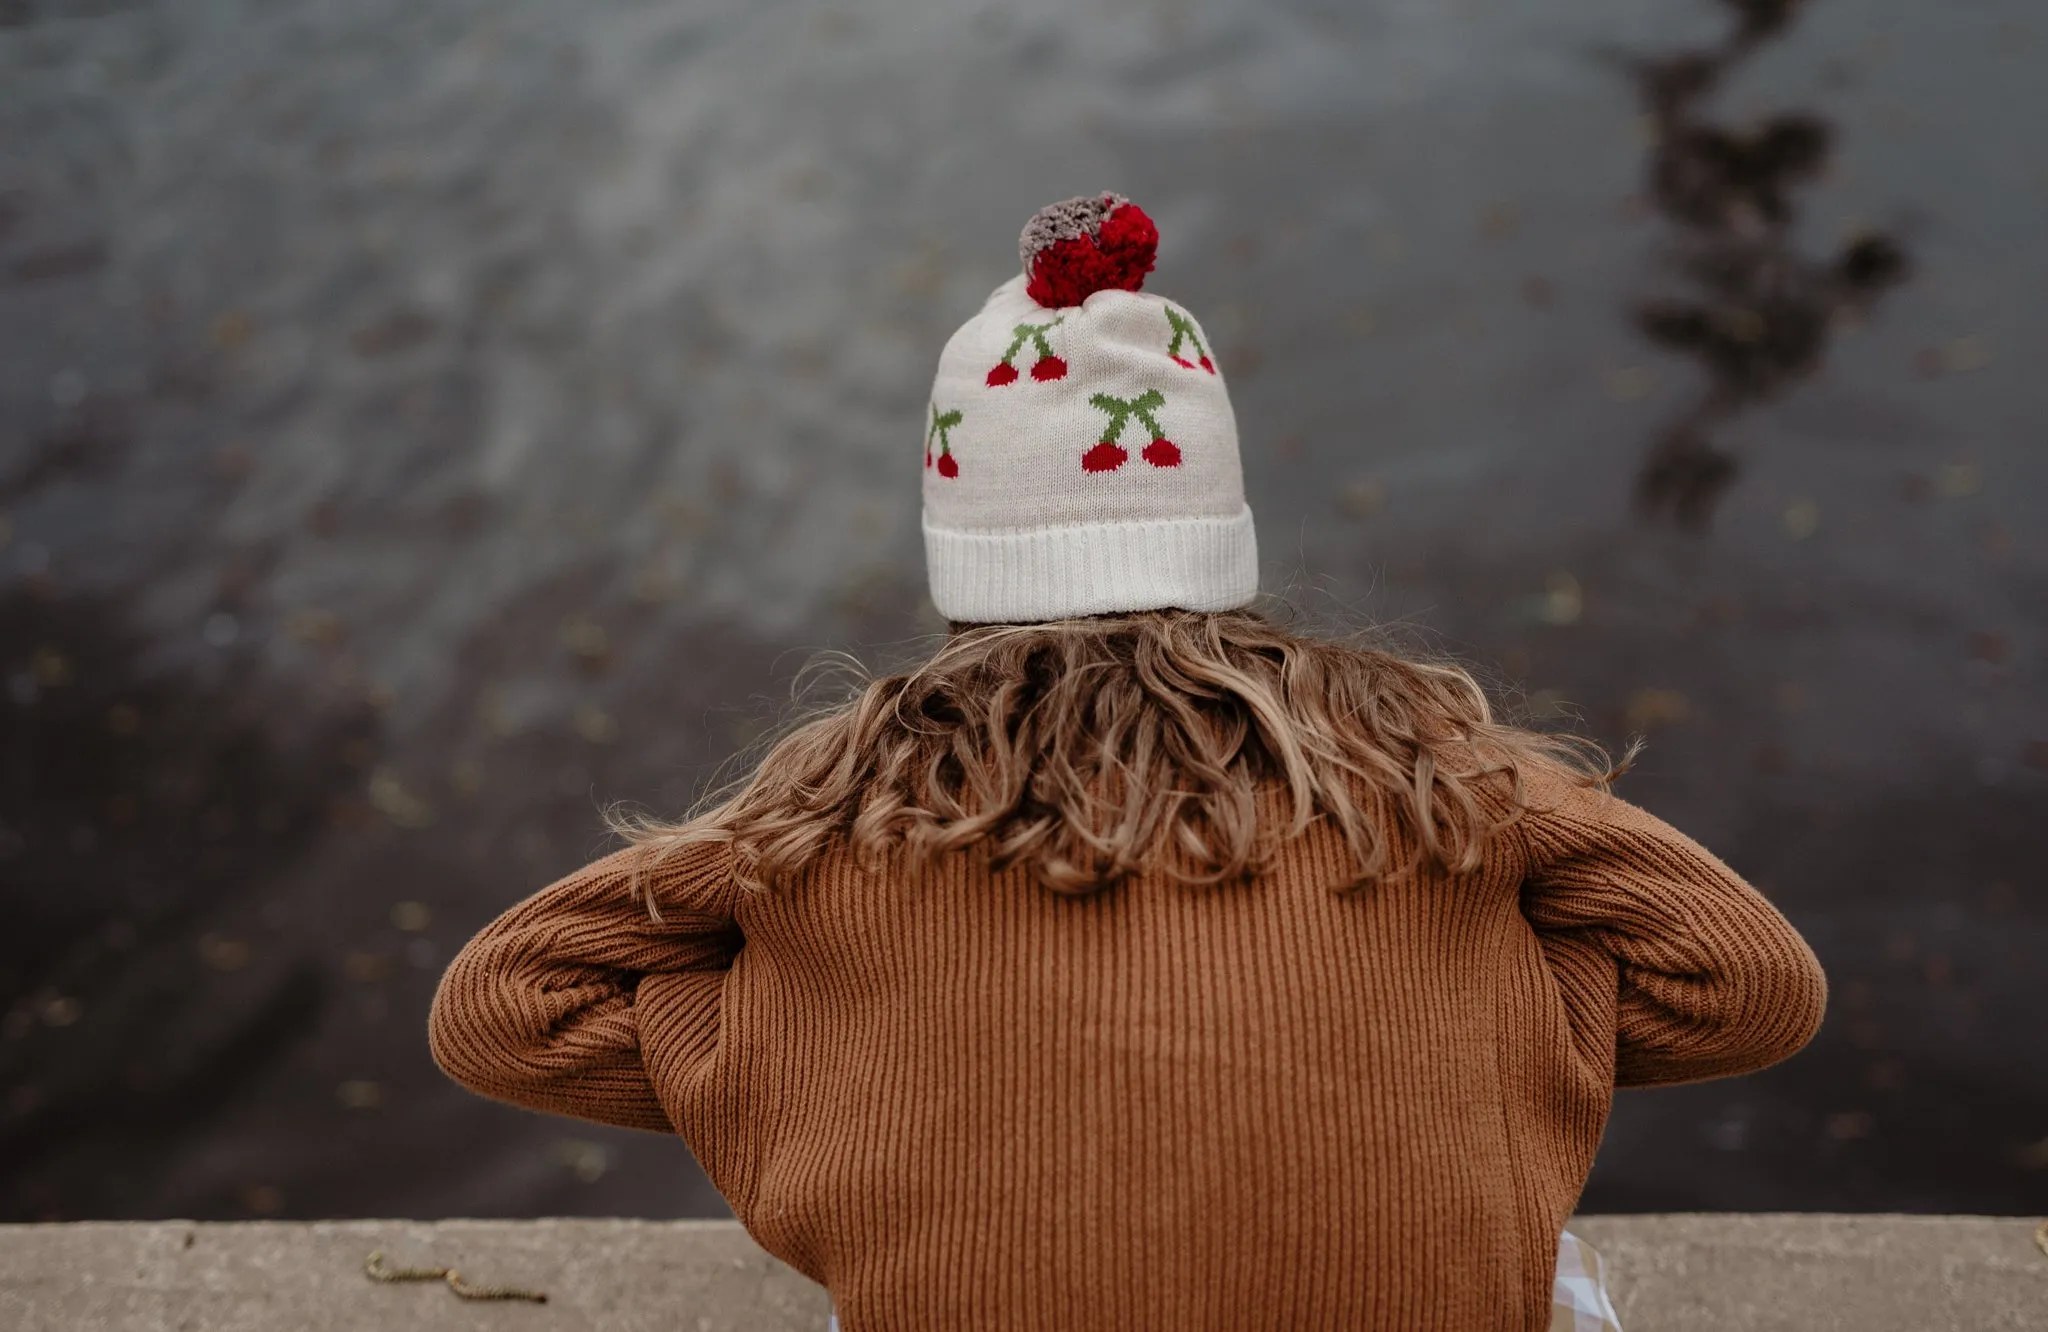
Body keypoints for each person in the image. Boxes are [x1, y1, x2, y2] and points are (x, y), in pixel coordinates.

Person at [429, 194, 1826, 1331]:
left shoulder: (851, 807)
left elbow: (509, 1008)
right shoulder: (1415, 771)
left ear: (960, 565)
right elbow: (1745, 987)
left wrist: (821, 1058)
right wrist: (1483, 1026)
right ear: (1219, 537)